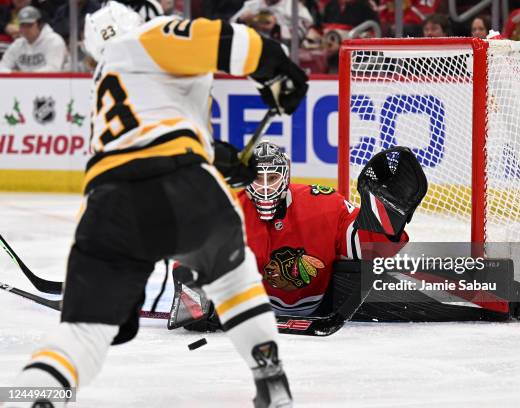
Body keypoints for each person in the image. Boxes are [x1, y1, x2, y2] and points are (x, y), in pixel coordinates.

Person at [9, 2, 308, 407]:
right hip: (185, 184)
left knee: (82, 333)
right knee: (233, 282)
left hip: (108, 203)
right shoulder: (147, 37)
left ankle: (32, 396)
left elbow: (152, 135)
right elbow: (226, 39)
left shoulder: (104, 81)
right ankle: (270, 377)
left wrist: (218, 157)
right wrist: (277, 65)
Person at [173, 141, 412, 322]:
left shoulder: (325, 204)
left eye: (273, 177)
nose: (265, 187)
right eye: (258, 178)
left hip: (323, 306)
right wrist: (195, 302)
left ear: (286, 175)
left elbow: (362, 249)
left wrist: (385, 223)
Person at [0, 5, 67, 72]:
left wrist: (24, 76)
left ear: (40, 25)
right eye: (22, 25)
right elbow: (2, 67)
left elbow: (53, 69)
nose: (25, 29)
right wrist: (15, 74)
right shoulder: (17, 44)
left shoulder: (54, 41)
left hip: (51, 82)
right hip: (23, 81)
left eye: (29, 25)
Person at [231, 0, 314, 43]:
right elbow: (230, 28)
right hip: (252, 49)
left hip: (283, 52)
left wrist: (276, 28)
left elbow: (302, 34)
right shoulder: (251, 4)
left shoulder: (294, 6)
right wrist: (241, 20)